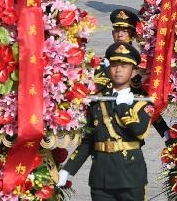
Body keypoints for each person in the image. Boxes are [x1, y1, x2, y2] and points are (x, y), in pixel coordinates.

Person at [59, 42, 153, 200]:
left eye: (124, 66)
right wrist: (67, 170)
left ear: (134, 71)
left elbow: (139, 132)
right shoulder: (98, 100)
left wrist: (123, 106)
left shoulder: (141, 102)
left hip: (130, 176)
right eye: (115, 65)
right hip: (101, 178)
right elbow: (88, 142)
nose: (118, 70)